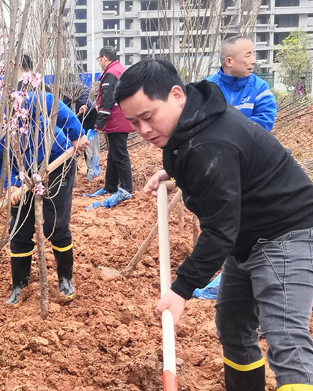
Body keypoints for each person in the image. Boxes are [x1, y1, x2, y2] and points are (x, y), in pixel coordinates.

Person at [115, 58, 313, 391]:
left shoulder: (210, 142)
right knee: (233, 325)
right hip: (248, 237)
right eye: (134, 123)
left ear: (177, 94)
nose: (144, 131)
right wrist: (176, 172)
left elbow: (220, 229)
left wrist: (181, 290)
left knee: (286, 340)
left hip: (285, 233)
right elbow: (217, 168)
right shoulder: (194, 119)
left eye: (148, 117)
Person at [0, 87, 89, 305]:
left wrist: (76, 132)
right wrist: (12, 184)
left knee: (55, 224)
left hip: (56, 161)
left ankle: (65, 279)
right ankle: (19, 285)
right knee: (19, 228)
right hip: (22, 177)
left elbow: (49, 102)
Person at [83, 46, 134, 198]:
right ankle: (110, 186)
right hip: (121, 118)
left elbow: (107, 101)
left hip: (117, 120)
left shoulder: (110, 74)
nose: (99, 62)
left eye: (99, 59)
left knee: (120, 154)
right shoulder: (119, 70)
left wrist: (99, 124)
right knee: (113, 155)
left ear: (104, 58)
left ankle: (126, 189)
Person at [206, 36, 276, 131]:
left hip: (248, 145)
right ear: (229, 61)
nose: (253, 61)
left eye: (253, 55)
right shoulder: (207, 87)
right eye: (248, 55)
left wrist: (226, 130)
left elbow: (265, 121)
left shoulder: (260, 87)